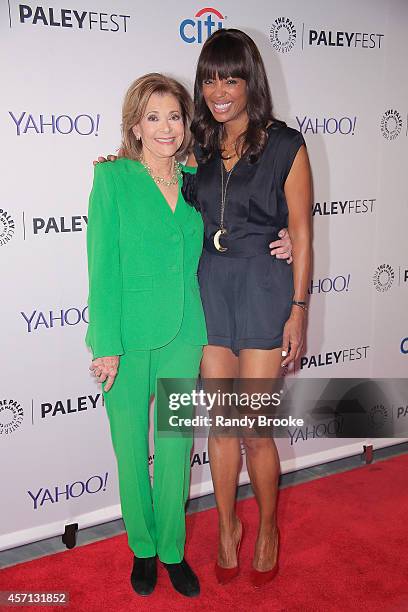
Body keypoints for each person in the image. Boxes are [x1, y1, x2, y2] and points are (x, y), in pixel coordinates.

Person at [182, 28, 312, 587]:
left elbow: (302, 233)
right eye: (210, 79)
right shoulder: (198, 144)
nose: (219, 90)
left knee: (254, 428)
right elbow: (157, 180)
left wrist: (299, 309)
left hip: (263, 288)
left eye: (230, 78)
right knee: (220, 425)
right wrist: (116, 163)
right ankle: (227, 526)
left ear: (249, 81)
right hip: (210, 288)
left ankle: (267, 528)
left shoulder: (286, 143)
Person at [86, 73, 207, 598]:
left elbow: (239, 232)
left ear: (186, 124)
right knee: (130, 447)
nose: (165, 127)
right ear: (135, 125)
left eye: (175, 116)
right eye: (153, 117)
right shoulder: (113, 180)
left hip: (187, 329)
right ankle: (143, 548)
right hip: (128, 337)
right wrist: (106, 344)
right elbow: (102, 266)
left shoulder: (199, 180)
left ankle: (174, 550)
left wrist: (284, 241)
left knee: (177, 445)